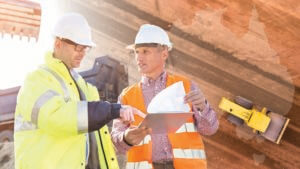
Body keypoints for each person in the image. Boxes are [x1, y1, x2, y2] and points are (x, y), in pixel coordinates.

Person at [14, 13, 144, 169]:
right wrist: (112, 110)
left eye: (86, 48)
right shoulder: (36, 81)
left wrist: (126, 139)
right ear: (58, 43)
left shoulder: (86, 88)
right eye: (78, 47)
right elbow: (58, 118)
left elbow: (94, 142)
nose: (82, 52)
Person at [111, 24, 219, 169]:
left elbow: (210, 129)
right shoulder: (127, 96)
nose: (139, 57)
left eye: (145, 52)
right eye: (137, 52)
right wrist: (126, 139)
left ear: (164, 53)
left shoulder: (185, 86)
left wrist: (203, 107)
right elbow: (115, 144)